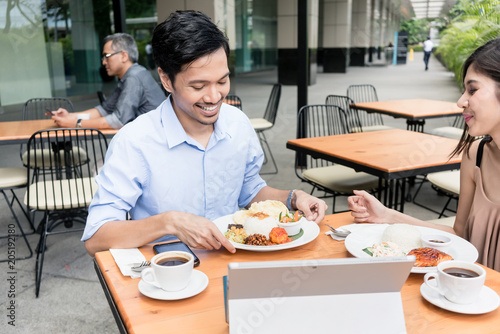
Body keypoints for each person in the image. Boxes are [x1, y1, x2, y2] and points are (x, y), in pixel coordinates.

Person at [82, 10, 327, 256]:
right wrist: (169, 222)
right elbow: (96, 237)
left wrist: (293, 198)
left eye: (222, 82)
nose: (213, 97)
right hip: (170, 274)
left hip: (234, 261)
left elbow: (249, 190)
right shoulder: (134, 141)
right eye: (198, 86)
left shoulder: (238, 125)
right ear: (167, 80)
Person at [348, 37, 500, 271]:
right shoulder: (475, 154)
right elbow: (458, 234)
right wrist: (386, 215)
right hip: (469, 292)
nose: (461, 101)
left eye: (473, 89)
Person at [49, 33, 165, 129]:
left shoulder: (133, 78)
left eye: (107, 56)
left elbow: (118, 121)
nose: (104, 62)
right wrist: (71, 116)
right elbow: (104, 110)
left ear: (124, 56)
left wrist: (76, 123)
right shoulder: (131, 75)